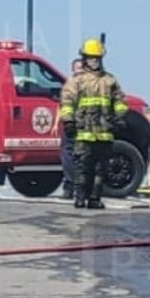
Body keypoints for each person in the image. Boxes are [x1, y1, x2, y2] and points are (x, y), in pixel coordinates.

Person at [59, 39, 128, 209]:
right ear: (84, 59)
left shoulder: (110, 80)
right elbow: (67, 102)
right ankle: (80, 197)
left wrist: (120, 118)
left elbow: (119, 101)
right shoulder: (77, 81)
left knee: (100, 169)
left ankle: (95, 198)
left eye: (96, 58)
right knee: (82, 167)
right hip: (83, 132)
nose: (94, 61)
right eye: (90, 58)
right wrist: (68, 122)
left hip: (104, 132)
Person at [58, 59, 84, 198]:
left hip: (81, 124)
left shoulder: (71, 85)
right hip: (77, 124)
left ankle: (71, 186)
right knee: (73, 154)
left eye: (81, 67)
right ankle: (73, 186)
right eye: (78, 68)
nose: (79, 70)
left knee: (71, 154)